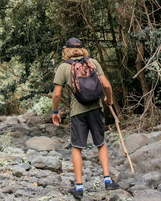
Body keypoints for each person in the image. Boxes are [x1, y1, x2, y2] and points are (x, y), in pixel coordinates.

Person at [52, 37, 119, 199]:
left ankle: (80, 188)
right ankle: (108, 181)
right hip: (96, 108)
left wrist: (55, 112)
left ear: (66, 51)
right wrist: (109, 99)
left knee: (77, 147)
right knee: (100, 143)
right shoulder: (93, 62)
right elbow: (107, 85)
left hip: (77, 112)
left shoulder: (63, 67)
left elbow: (56, 94)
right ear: (82, 49)